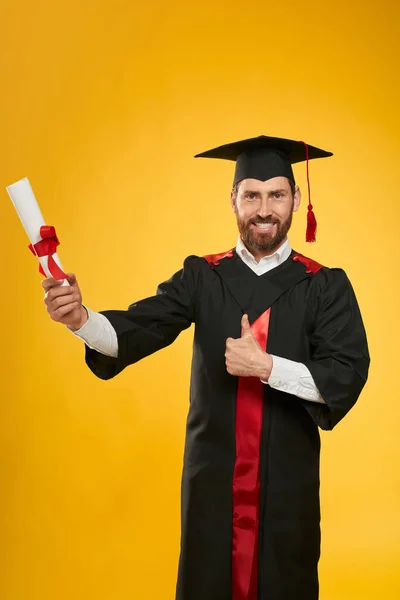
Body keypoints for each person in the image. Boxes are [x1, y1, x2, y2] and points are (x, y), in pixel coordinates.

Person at [42, 136, 370, 600]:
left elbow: (346, 375)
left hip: (286, 488)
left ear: (297, 199)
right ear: (232, 200)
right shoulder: (203, 276)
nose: (263, 209)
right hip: (212, 486)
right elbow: (134, 331)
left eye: (276, 194)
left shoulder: (324, 286)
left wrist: (267, 366)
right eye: (251, 195)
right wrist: (79, 319)